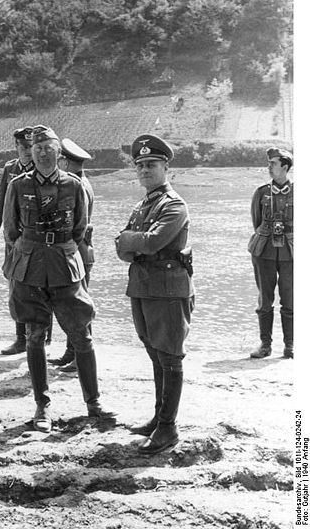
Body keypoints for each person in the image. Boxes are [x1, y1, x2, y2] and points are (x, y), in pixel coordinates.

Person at [2, 125, 115, 432]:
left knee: (81, 334)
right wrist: (31, 249)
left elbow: (79, 229)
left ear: (58, 153)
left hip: (65, 267)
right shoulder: (17, 185)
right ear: (32, 152)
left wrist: (59, 248)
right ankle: (42, 405)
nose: (42, 153)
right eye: (37, 149)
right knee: (35, 336)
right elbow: (11, 230)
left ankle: (94, 403)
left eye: (49, 149)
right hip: (30, 268)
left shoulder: (73, 185)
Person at [115, 134, 194, 455]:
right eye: (141, 166)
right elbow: (122, 249)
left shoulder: (174, 204)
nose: (145, 170)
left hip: (169, 290)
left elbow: (151, 242)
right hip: (143, 286)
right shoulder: (143, 205)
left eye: (152, 164)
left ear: (165, 168)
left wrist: (132, 240)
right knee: (154, 352)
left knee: (170, 355)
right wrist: (134, 242)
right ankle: (159, 418)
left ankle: (168, 427)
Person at [49, 137, 95, 372]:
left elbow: (77, 224)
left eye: (60, 160)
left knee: (78, 306)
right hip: (80, 250)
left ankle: (80, 357)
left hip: (78, 251)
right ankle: (71, 353)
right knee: (73, 302)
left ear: (65, 163)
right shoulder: (82, 182)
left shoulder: (76, 185)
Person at [0, 126, 35, 355]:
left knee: (39, 287)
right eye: (24, 146)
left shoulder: (41, 168)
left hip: (34, 239)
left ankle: (40, 338)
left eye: (31, 146)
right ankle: (20, 338)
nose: (28, 151)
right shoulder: (10, 169)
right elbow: (0, 203)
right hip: (12, 239)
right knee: (16, 287)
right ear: (16, 146)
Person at [248, 147, 293, 359]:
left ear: (285, 166)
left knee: (290, 300)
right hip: (264, 251)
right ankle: (265, 345)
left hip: (291, 253)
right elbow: (256, 221)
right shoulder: (261, 192)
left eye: (273, 163)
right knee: (265, 300)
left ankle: (290, 346)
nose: (269, 167)